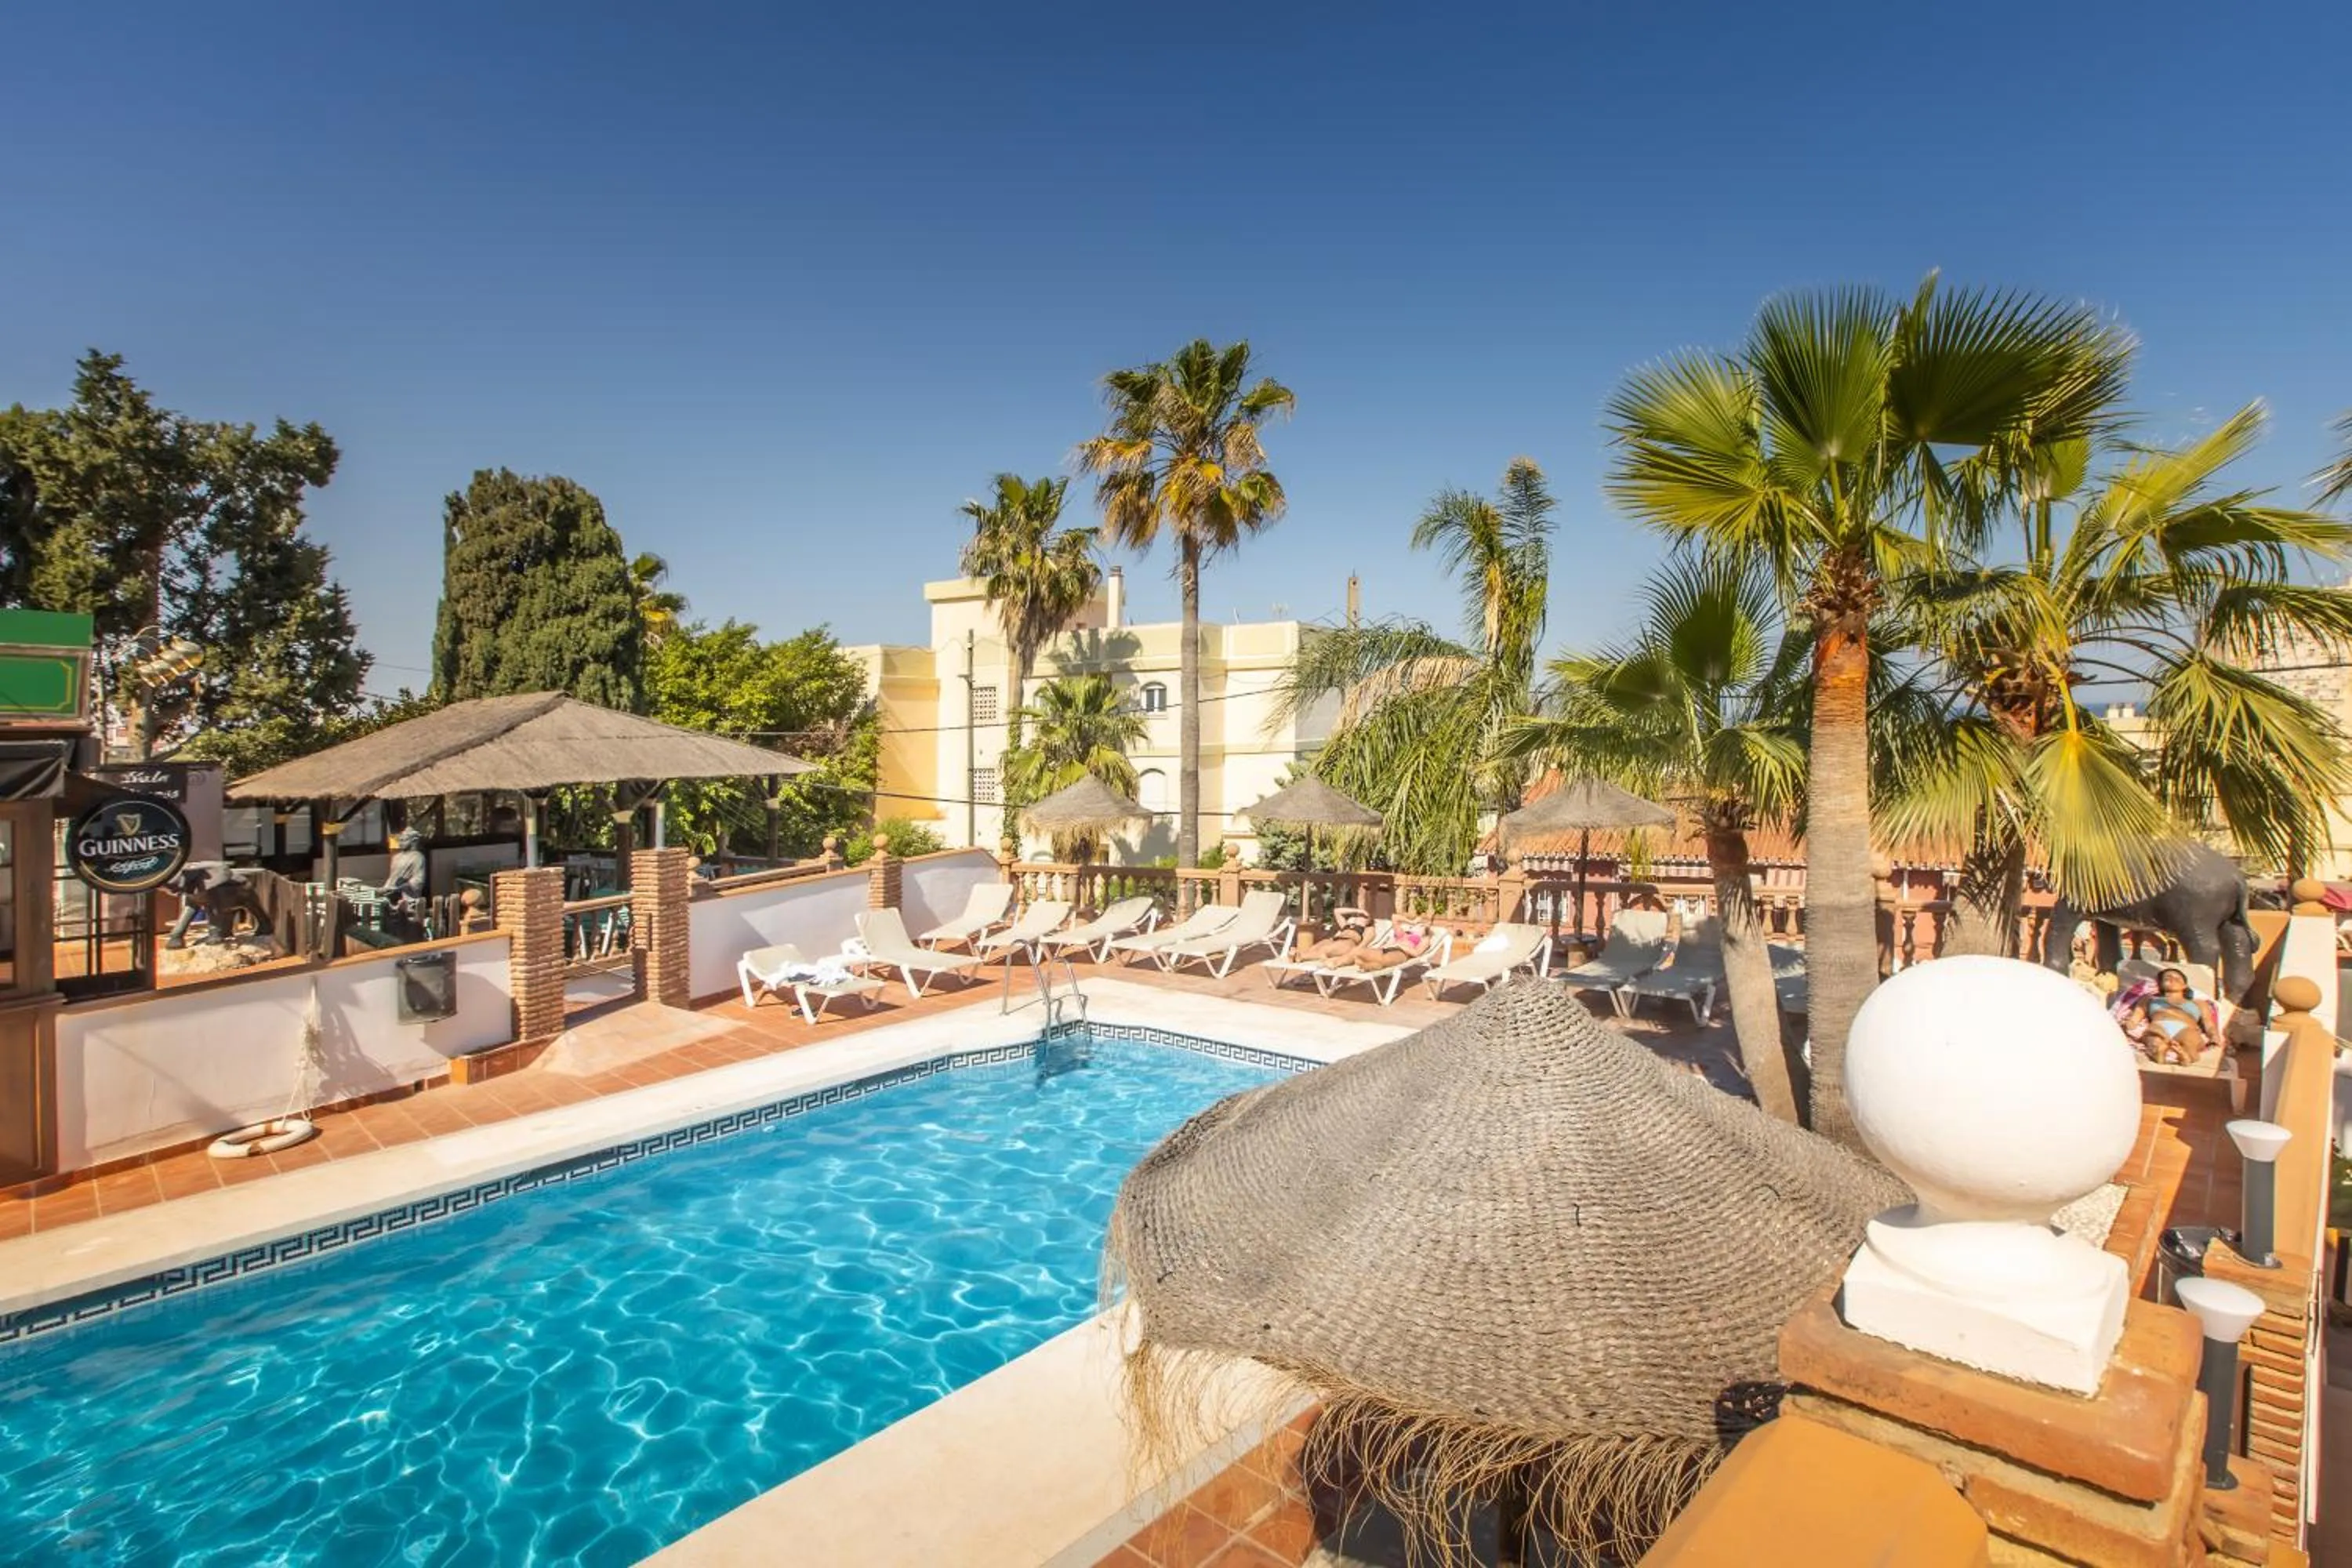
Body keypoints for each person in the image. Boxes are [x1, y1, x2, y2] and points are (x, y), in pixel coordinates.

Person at [2116, 967, 2217, 1065]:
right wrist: (2130, 1024)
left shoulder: (2199, 1003)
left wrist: (2214, 1036)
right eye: (2167, 978)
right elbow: (2137, 1016)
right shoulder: (2150, 999)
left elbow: (2209, 1024)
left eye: (2177, 978)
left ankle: (2185, 1057)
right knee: (2155, 1042)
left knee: (2190, 1042)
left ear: (2185, 985)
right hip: (2159, 1026)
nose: (2172, 979)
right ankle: (2161, 1054)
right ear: (2160, 985)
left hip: (2187, 1028)